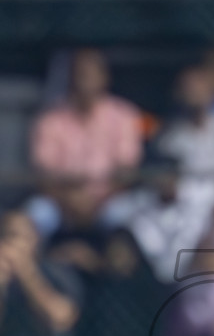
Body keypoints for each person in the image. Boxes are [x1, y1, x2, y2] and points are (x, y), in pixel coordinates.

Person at [30, 49, 144, 229]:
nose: (83, 81)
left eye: (89, 75)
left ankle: (113, 257)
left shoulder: (124, 116)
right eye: (79, 74)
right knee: (36, 213)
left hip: (108, 200)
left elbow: (126, 170)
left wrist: (96, 200)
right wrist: (68, 199)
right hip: (61, 200)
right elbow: (44, 174)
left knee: (125, 216)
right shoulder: (50, 119)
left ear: (104, 77)